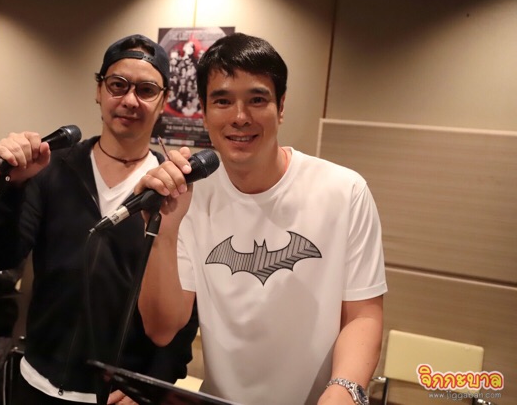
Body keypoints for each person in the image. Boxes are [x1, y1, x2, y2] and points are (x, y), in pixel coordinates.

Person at [136, 33, 388, 405]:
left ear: (280, 106)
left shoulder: (344, 191)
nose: (240, 117)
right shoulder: (191, 196)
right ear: (203, 111)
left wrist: (343, 390)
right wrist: (165, 229)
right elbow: (162, 328)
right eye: (223, 101)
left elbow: (363, 316)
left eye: (257, 99)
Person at [0, 34, 199, 404]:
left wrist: (152, 384)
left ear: (163, 101)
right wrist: (9, 187)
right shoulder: (53, 170)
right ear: (99, 90)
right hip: (36, 382)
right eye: (118, 85)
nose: (130, 100)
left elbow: (185, 312)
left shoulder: (173, 190)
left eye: (146, 90)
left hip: (118, 393)